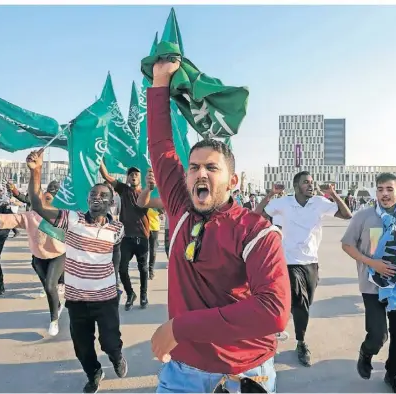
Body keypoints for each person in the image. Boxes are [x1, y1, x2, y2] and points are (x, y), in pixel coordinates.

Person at [145, 59, 290, 393]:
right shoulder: (180, 210)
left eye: (212, 167)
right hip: (181, 374)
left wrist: (181, 328)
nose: (200, 173)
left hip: (246, 375)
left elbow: (273, 312)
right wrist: (160, 82)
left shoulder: (256, 232)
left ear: (233, 181)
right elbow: (161, 147)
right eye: (194, 167)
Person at [26, 150, 127, 394]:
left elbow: (116, 253)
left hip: (106, 300)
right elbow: (38, 205)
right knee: (82, 347)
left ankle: (116, 357)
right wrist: (36, 171)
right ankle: (94, 374)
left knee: (110, 342)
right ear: (87, 199)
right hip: (77, 301)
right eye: (93, 194)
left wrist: (115, 279)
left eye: (103, 195)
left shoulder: (117, 229)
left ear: (111, 201)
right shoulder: (71, 220)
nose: (97, 197)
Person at [255, 174, 352, 367]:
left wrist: (332, 193)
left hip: (311, 262)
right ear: (296, 186)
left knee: (305, 303)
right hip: (289, 261)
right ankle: (301, 342)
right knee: (301, 301)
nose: (311, 185)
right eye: (306, 182)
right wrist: (270, 195)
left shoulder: (318, 202)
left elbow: (347, 214)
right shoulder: (284, 202)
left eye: (312, 182)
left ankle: (294, 329)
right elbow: (257, 215)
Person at [341, 173, 396, 393]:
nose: (384, 194)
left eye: (389, 189)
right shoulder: (364, 216)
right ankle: (366, 353)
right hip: (372, 286)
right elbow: (347, 245)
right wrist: (372, 263)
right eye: (380, 189)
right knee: (378, 336)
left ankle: (392, 374)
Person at [0, 180, 66, 336]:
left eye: (49, 198)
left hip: (58, 255)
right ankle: (56, 305)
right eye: (44, 197)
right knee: (48, 288)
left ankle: (53, 320)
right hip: (39, 257)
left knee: (50, 286)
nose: (44, 200)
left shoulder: (64, 216)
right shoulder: (30, 216)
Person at [99, 163, 151, 311]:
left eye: (136, 174)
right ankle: (130, 294)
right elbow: (106, 176)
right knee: (122, 268)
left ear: (140, 177)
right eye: (131, 174)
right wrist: (100, 159)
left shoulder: (147, 191)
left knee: (143, 269)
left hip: (142, 236)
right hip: (126, 237)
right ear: (127, 178)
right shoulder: (124, 190)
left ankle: (143, 295)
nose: (133, 176)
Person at [147, 208, 161, 280]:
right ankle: (148, 270)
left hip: (153, 227)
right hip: (145, 227)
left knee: (152, 251)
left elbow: (162, 210)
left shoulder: (155, 198)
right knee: (146, 250)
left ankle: (151, 270)